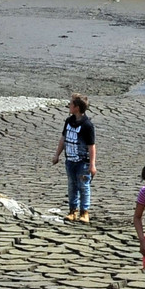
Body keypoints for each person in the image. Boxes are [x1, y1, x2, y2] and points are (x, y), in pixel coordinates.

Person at [51, 93, 96, 222]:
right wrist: (57, 155)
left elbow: (91, 146)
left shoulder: (87, 125)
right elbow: (63, 139)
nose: (69, 106)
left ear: (76, 107)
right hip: (70, 161)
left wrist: (92, 165)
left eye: (71, 104)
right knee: (72, 186)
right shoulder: (69, 121)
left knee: (83, 186)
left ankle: (84, 212)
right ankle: (72, 211)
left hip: (83, 162)